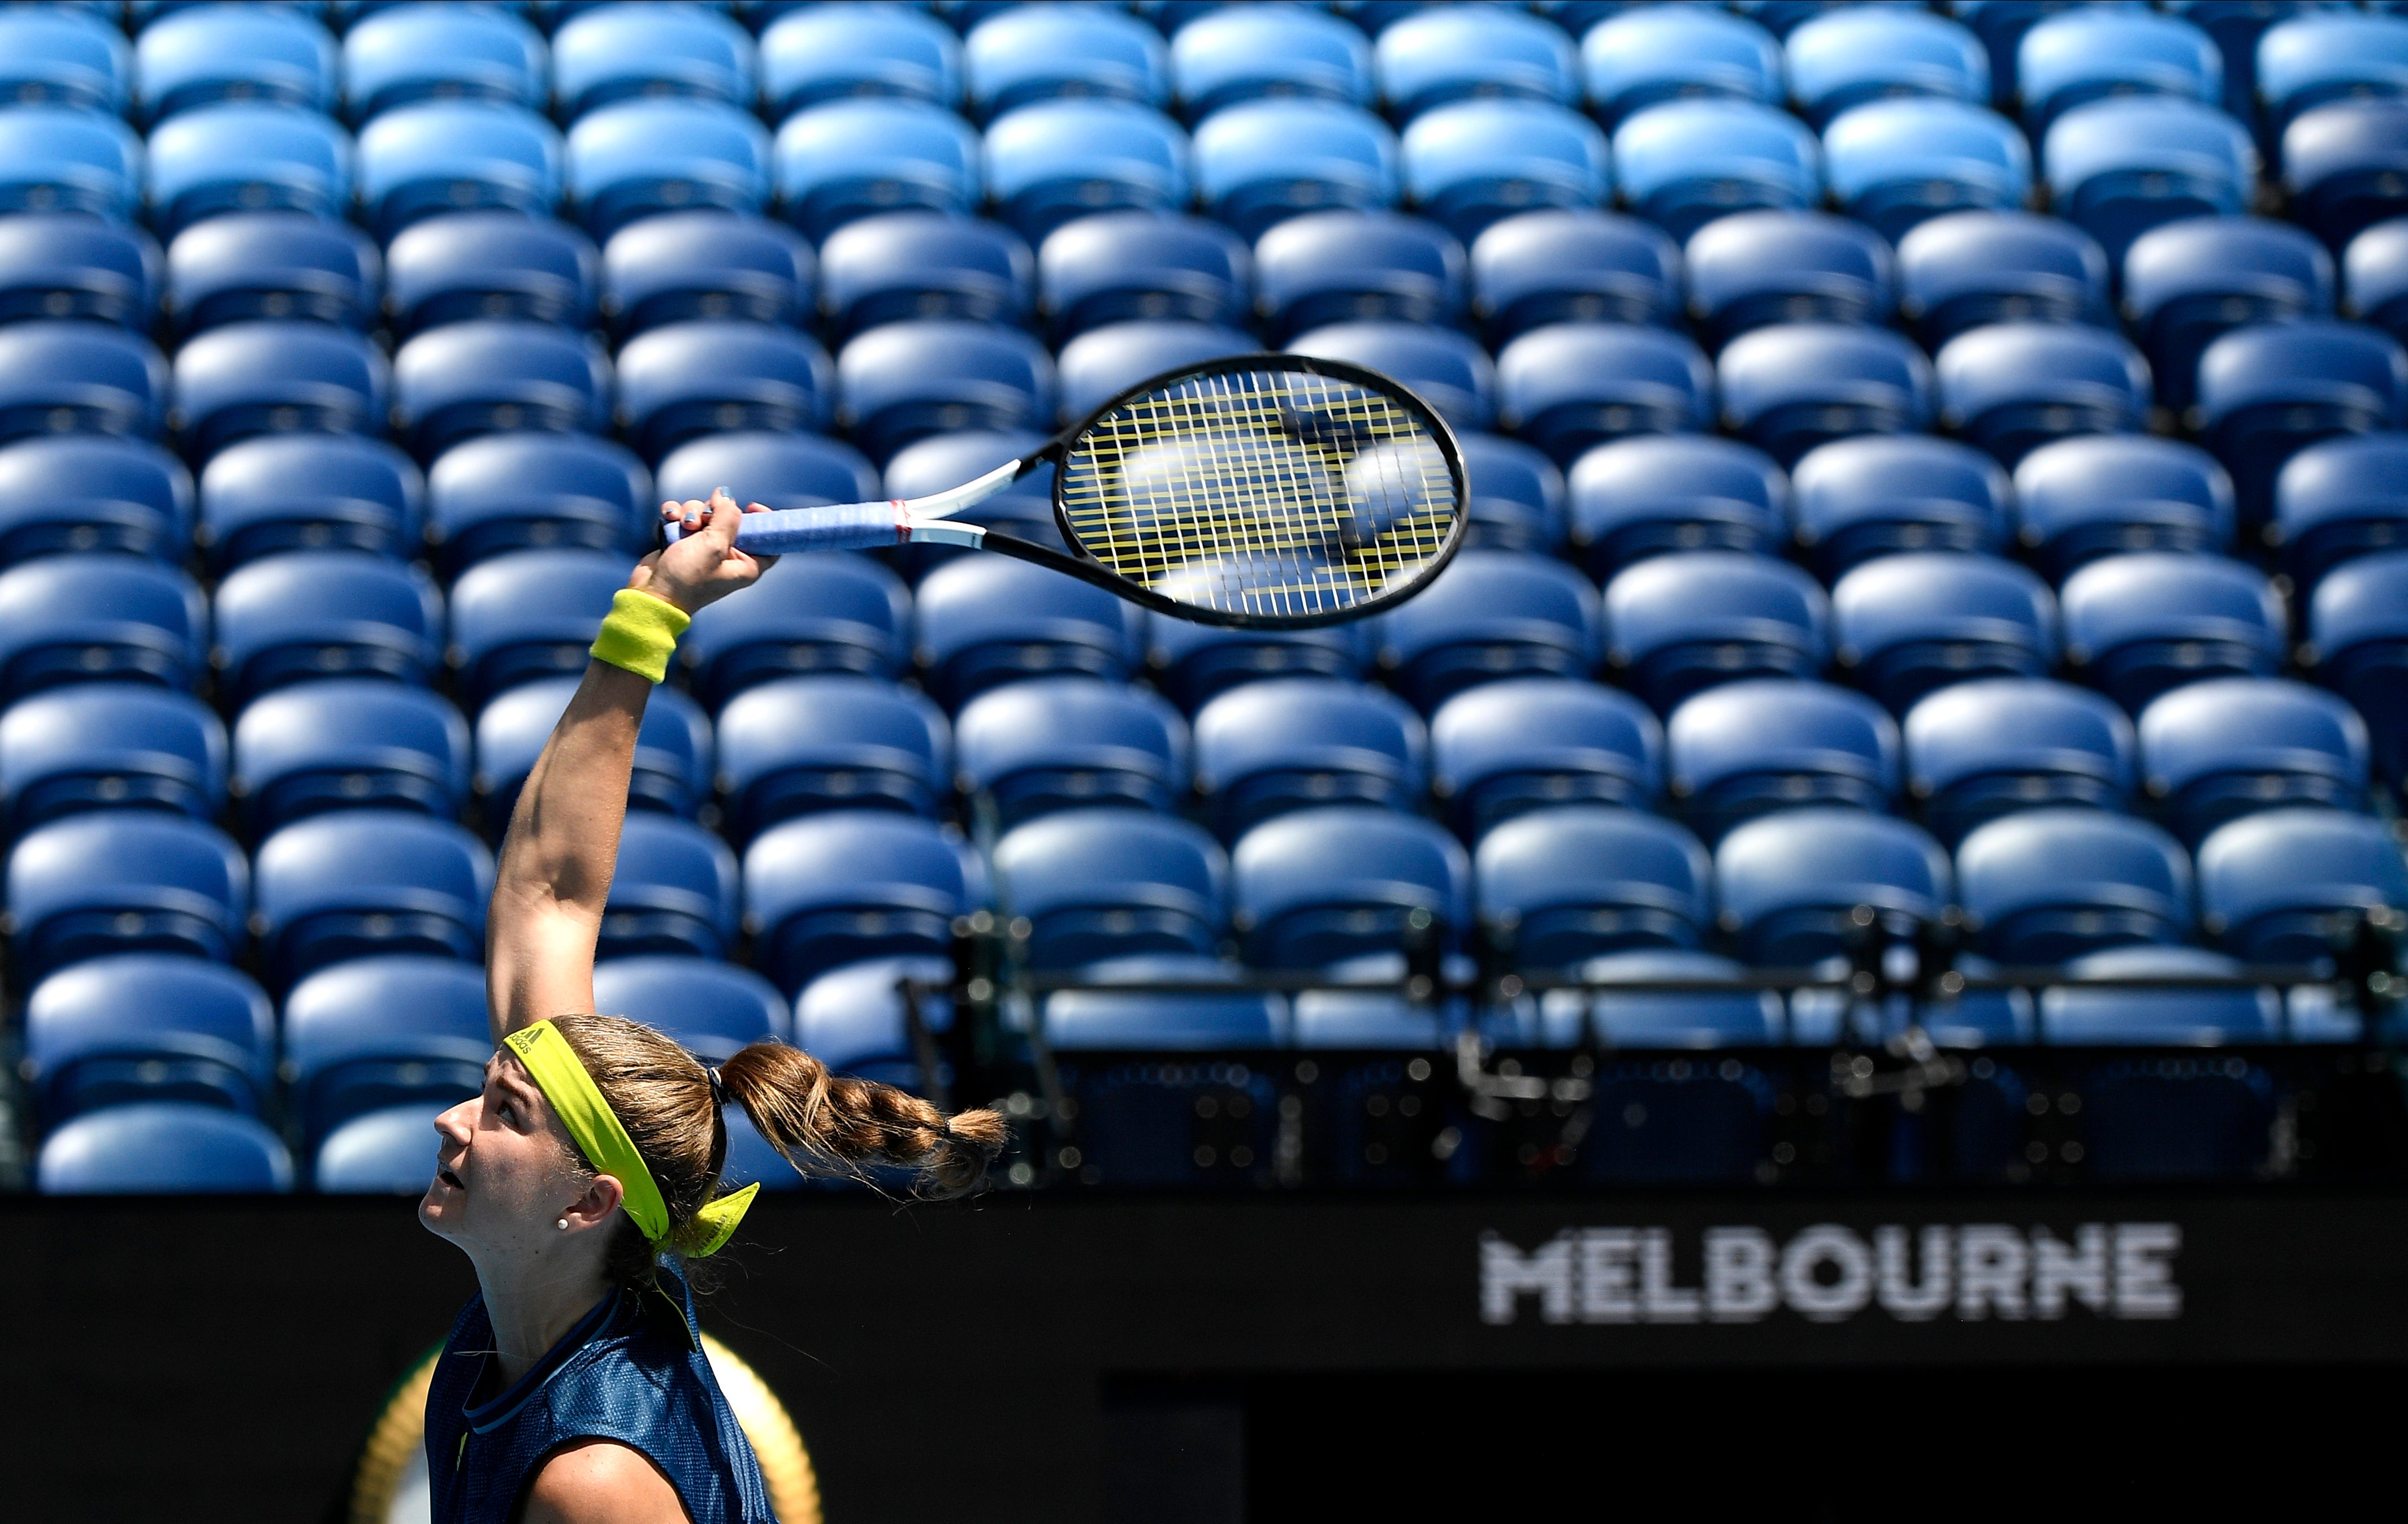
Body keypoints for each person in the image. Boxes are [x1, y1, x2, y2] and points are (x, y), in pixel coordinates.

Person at [417, 490, 1005, 1523]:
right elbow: (550, 892)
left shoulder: (592, 1481)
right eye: (489, 1094)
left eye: (505, 1113)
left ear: (590, 1202)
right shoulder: (569, 1299)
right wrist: (651, 610)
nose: (452, 1118)